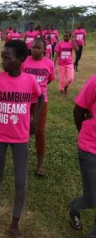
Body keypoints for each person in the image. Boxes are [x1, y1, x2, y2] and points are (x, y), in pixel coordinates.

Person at [0, 40, 44, 237]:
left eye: (8, 58)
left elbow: (40, 97)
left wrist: (35, 120)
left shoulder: (30, 81)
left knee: (21, 180)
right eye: (2, 57)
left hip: (20, 137)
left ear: (21, 60)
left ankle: (15, 221)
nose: (3, 61)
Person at [22, 38, 55, 176]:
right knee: (22, 128)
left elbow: (50, 79)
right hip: (24, 99)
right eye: (33, 47)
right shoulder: (24, 61)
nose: (35, 50)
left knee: (39, 130)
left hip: (41, 101)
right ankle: (20, 159)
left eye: (38, 48)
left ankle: (40, 165)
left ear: (44, 50)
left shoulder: (49, 63)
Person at [68, 74, 96, 237]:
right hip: (90, 148)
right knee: (92, 197)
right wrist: (86, 133)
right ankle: (75, 207)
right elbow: (78, 111)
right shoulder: (94, 81)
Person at [54, 31, 79, 96]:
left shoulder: (71, 43)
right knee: (61, 79)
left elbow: (77, 49)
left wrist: (73, 41)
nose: (65, 37)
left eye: (67, 36)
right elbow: (57, 54)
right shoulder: (60, 43)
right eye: (64, 36)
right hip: (61, 64)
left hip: (69, 63)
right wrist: (54, 63)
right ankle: (61, 90)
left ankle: (65, 88)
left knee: (70, 78)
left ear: (70, 37)